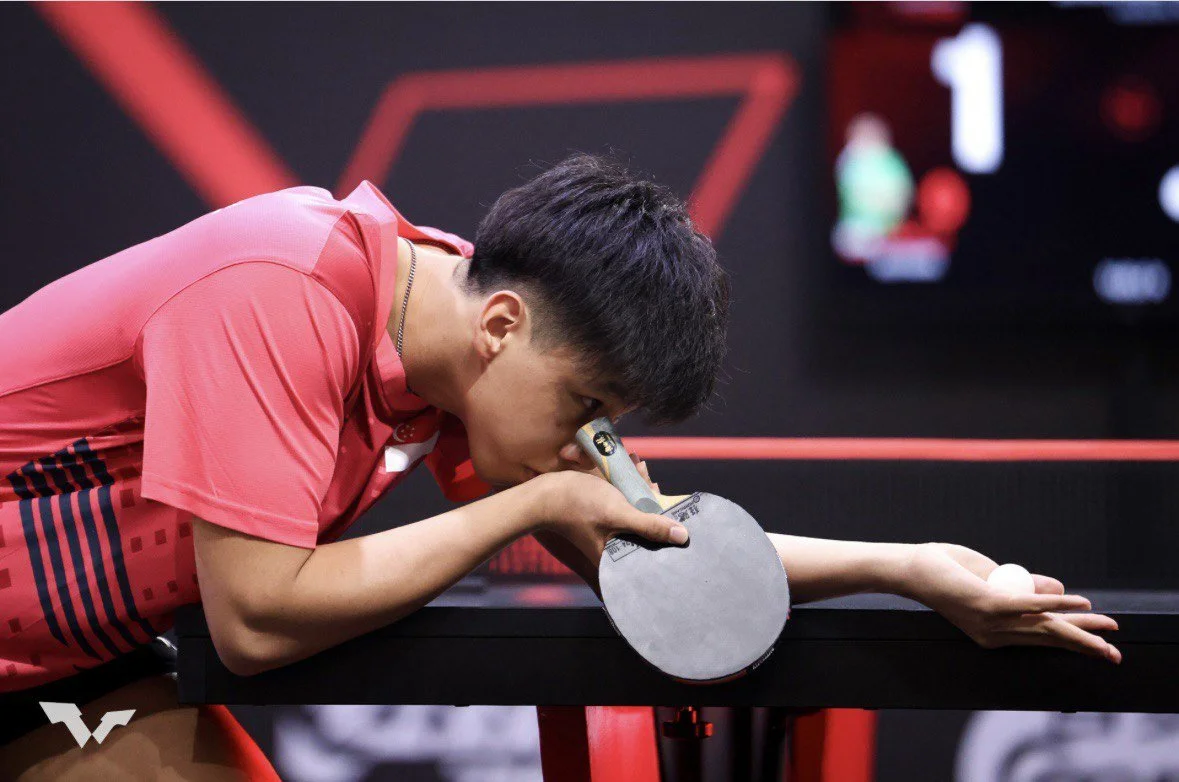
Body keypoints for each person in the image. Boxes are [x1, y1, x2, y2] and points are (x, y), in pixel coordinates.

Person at [0, 153, 1119, 779]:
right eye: (584, 410)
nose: (586, 442)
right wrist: (531, 499)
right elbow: (253, 613)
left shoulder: (453, 335)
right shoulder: (277, 289)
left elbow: (659, 545)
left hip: (63, 674)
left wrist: (917, 566)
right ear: (499, 325)